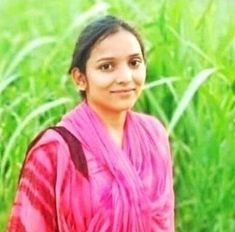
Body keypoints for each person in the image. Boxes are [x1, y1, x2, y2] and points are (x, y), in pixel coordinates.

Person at [7, 15, 175, 231]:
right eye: (107, 67)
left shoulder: (154, 135)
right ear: (80, 78)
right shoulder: (55, 150)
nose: (125, 77)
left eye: (134, 63)